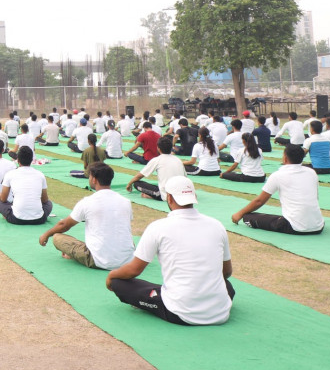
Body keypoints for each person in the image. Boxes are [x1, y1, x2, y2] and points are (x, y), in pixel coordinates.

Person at [107, 176, 235, 325]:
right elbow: (226, 273)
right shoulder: (217, 225)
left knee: (118, 283)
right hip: (220, 310)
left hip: (180, 312)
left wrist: (111, 275)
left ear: (169, 198)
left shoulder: (158, 227)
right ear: (194, 197)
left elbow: (133, 270)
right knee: (226, 285)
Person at [39, 163, 134, 269]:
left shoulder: (88, 202)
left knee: (57, 237)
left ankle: (74, 254)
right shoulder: (125, 201)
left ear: (94, 179)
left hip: (98, 260)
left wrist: (46, 234)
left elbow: (64, 225)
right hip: (127, 260)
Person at [231, 144, 325, 235]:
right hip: (318, 225)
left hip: (294, 227)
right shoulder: (311, 172)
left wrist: (240, 213)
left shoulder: (278, 175)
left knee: (247, 217)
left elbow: (259, 201)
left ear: (285, 158)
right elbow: (315, 197)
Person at [0, 147, 52, 225]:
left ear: (18, 160)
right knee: (49, 203)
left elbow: (3, 199)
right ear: (32, 160)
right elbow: (44, 200)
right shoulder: (40, 174)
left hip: (17, 219)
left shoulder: (10, 174)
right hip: (39, 219)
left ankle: (8, 214)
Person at [126, 136, 186, 200]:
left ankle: (152, 196)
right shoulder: (178, 160)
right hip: (181, 193)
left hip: (167, 195)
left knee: (136, 183)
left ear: (158, 148)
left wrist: (129, 184)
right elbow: (185, 177)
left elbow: (139, 176)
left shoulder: (157, 160)